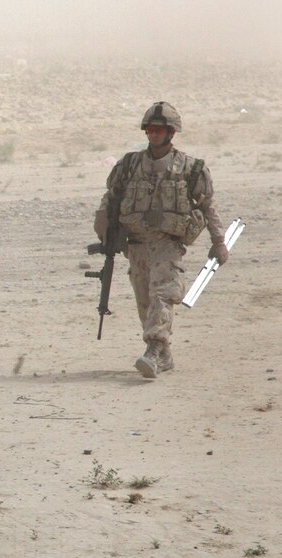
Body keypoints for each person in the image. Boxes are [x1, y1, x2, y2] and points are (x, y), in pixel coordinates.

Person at [95, 101, 228, 378]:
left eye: (159, 130)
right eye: (150, 129)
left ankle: (154, 350)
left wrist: (219, 241)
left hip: (168, 243)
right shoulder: (129, 165)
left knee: (162, 295)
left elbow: (207, 206)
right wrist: (105, 229)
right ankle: (164, 354)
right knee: (145, 301)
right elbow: (111, 198)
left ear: (171, 133)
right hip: (136, 245)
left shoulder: (191, 169)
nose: (153, 134)